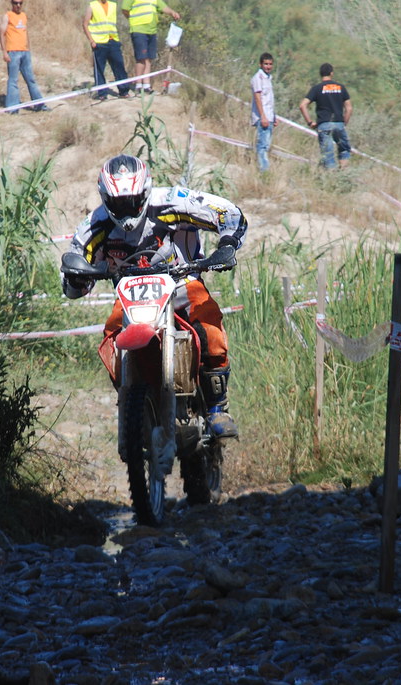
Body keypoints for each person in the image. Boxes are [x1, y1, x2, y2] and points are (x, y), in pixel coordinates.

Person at [61, 154, 247, 438]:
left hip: (183, 281)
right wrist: (77, 277)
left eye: (131, 201)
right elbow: (74, 269)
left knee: (209, 325)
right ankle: (129, 395)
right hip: (131, 294)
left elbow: (228, 213)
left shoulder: (172, 201)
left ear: (145, 191)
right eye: (118, 203)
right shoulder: (95, 223)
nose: (125, 209)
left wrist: (227, 244)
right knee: (111, 333)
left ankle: (216, 408)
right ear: (105, 198)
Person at [298, 63, 353, 169]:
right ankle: (343, 173)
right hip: (338, 123)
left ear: (320, 74)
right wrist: (343, 122)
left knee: (328, 154)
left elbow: (302, 105)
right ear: (331, 73)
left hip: (324, 124)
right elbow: (349, 108)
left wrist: (310, 122)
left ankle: (331, 178)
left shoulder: (317, 88)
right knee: (344, 150)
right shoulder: (341, 87)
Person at [0, 0, 49, 112]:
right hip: (13, 52)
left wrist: (29, 49)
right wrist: (4, 52)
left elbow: (25, 33)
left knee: (31, 79)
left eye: (20, 3)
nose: (18, 5)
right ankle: (12, 107)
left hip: (25, 52)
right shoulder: (7, 16)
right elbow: (2, 33)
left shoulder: (24, 16)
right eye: (15, 3)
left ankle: (39, 104)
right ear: (11, 3)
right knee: (13, 80)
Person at [121, 0, 180, 93]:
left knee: (148, 59)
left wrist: (172, 12)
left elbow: (163, 7)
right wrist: (132, 19)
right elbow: (125, 9)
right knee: (141, 58)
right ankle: (138, 84)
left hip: (152, 31)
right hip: (139, 29)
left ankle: (146, 86)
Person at [84, 0, 131, 100]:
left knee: (119, 66)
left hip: (113, 41)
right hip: (99, 42)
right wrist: (92, 41)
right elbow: (85, 24)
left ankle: (124, 91)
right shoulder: (92, 6)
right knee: (100, 69)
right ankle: (102, 94)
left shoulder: (113, 5)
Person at [250, 52, 276, 172]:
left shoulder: (268, 78)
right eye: (265, 64)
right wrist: (263, 116)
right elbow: (258, 98)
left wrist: (273, 117)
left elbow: (269, 100)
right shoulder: (258, 78)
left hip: (269, 117)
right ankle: (263, 171)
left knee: (267, 145)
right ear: (260, 64)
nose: (268, 66)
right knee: (262, 146)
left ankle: (264, 169)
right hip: (263, 117)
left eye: (270, 64)